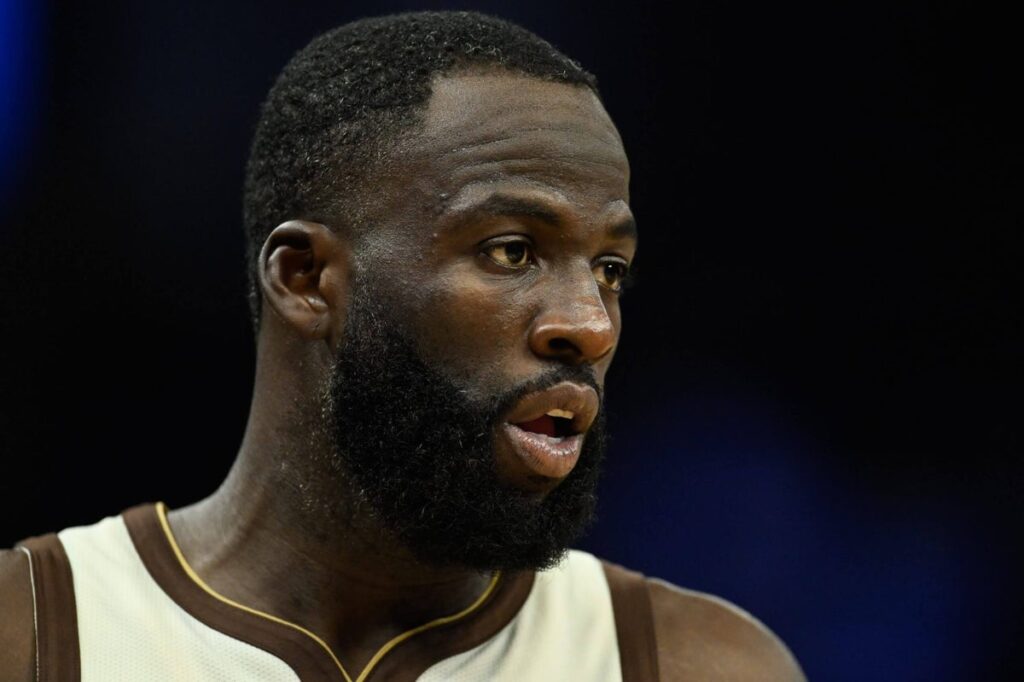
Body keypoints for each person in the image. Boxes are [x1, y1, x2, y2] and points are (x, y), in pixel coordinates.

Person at [0, 11, 805, 681]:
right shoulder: (28, 635)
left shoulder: (698, 663)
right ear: (307, 278)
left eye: (610, 268)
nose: (590, 324)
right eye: (512, 251)